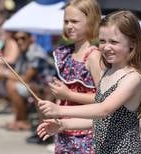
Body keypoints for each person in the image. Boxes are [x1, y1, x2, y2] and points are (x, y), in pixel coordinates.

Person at [37, 10, 141, 153]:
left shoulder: (133, 77)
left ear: (133, 43)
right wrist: (64, 124)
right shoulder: (108, 73)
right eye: (102, 41)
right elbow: (100, 121)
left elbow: (104, 110)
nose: (106, 47)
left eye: (114, 42)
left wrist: (60, 109)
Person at [34, 0, 102, 153]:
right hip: (64, 128)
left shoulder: (93, 56)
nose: (69, 26)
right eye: (66, 21)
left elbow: (103, 99)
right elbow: (62, 96)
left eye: (75, 21)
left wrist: (68, 94)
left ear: (91, 22)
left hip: (87, 132)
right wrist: (56, 105)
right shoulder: (66, 53)